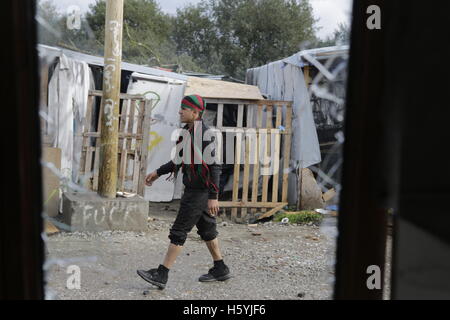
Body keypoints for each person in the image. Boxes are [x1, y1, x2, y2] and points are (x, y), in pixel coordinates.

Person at [137, 94, 231, 289]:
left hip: (199, 193)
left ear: (195, 113)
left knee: (179, 232)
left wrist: (213, 197)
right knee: (207, 231)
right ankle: (220, 268)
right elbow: (178, 160)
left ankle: (161, 274)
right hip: (195, 190)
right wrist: (158, 172)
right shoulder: (186, 133)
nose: (180, 111)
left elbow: (215, 167)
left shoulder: (204, 135)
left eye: (184, 109)